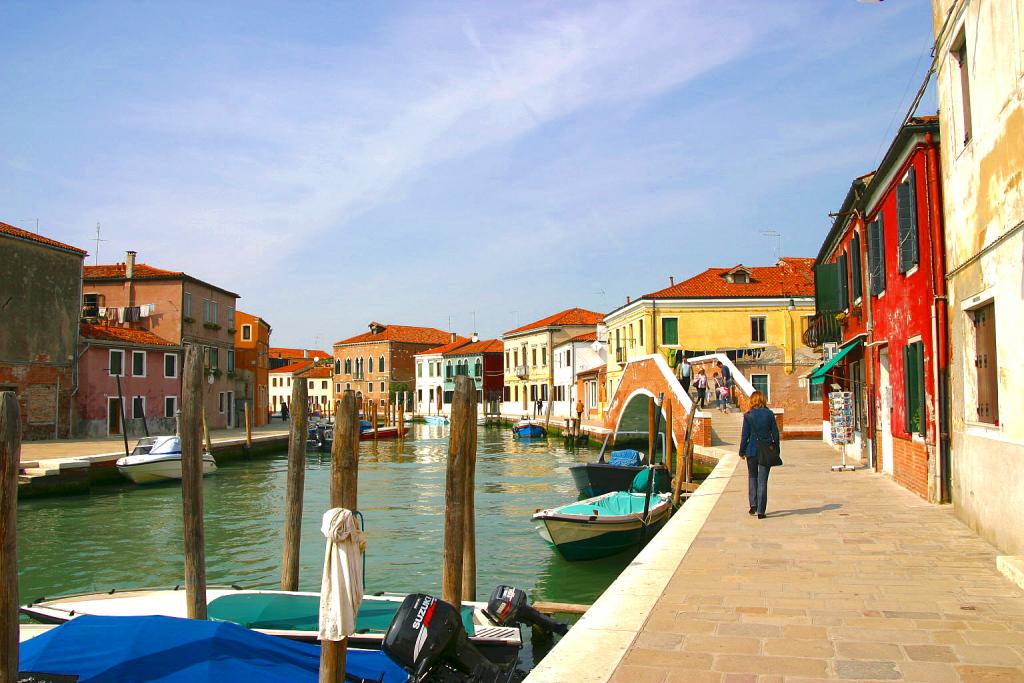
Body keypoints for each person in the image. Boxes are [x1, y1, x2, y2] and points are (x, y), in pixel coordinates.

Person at [738, 390, 780, 519]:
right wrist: (776, 449)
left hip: (751, 451)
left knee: (752, 478)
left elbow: (745, 435)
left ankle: (753, 505)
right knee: (763, 481)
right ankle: (761, 511)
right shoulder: (769, 414)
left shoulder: (748, 415)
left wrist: (742, 450)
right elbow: (775, 434)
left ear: (752, 401)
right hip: (765, 451)